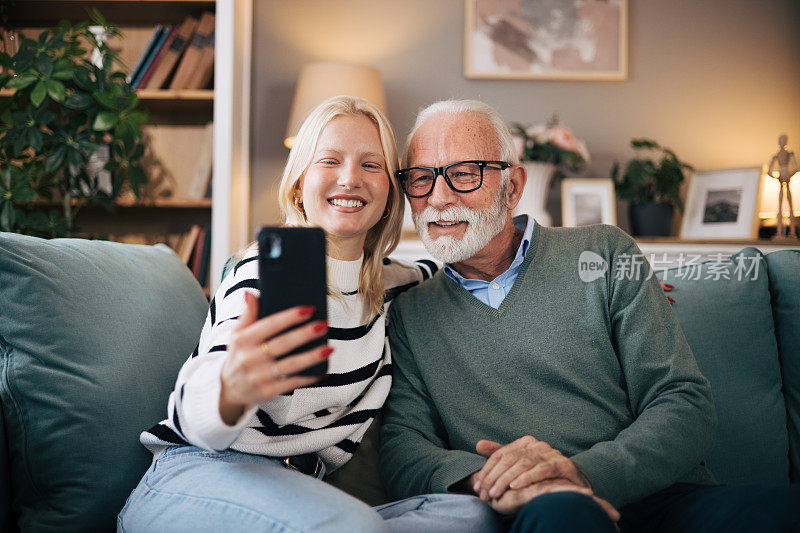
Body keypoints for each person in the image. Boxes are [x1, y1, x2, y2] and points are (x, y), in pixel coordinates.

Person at [379, 99, 800, 532]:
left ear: (514, 185)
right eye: (420, 177)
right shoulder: (411, 311)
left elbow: (683, 402)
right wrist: (491, 480)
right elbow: (404, 449)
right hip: (537, 511)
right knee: (563, 515)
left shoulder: (603, 251)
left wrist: (581, 474)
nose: (439, 197)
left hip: (666, 502)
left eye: (465, 173)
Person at [117, 96, 502, 532]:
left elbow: (468, 265)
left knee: (470, 517)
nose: (350, 178)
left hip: (298, 491)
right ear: (299, 184)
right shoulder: (263, 274)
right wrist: (230, 389)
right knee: (350, 525)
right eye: (330, 161)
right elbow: (197, 411)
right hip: (200, 474)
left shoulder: (395, 286)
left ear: (391, 194)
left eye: (371, 165)